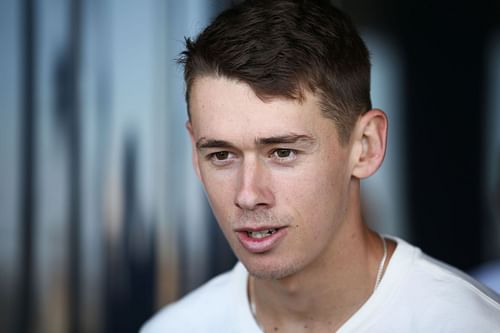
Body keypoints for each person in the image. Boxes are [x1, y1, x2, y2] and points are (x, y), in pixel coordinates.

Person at [141, 0, 500, 331]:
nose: (248, 195)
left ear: (366, 146)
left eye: (282, 152)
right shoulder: (175, 328)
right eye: (221, 155)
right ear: (194, 152)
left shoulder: (467, 323)